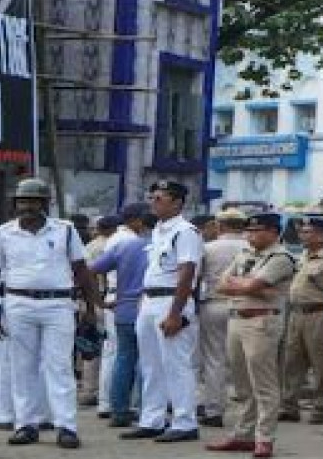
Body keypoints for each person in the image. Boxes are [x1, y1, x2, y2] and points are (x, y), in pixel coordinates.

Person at [0, 178, 101, 449]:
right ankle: (26, 425)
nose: (27, 206)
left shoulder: (64, 230)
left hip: (58, 305)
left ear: (45, 203)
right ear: (15, 204)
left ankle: (66, 426)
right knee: (22, 367)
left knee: (59, 366)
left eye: (33, 201)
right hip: (17, 304)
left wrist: (91, 309)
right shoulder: (3, 233)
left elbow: (81, 270)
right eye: (22, 201)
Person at [205, 213, 296, 459]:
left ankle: (265, 437)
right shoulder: (245, 254)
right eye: (249, 230)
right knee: (241, 383)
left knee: (263, 382)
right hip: (236, 317)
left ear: (273, 232)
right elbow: (221, 285)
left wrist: (247, 285)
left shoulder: (281, 257)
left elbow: (252, 286)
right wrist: (247, 285)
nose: (251, 235)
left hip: (262, 320)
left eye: (257, 231)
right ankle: (243, 434)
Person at [121, 180, 205, 443]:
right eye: (153, 197)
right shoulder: (158, 231)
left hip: (171, 300)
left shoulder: (185, 231)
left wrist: (175, 313)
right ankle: (152, 419)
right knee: (150, 364)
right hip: (150, 300)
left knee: (176, 364)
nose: (154, 201)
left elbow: (187, 272)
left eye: (161, 197)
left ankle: (184, 421)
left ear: (178, 203)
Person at [88, 205, 155, 428]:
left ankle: (119, 411)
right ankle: (147, 410)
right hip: (149, 308)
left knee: (124, 358)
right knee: (149, 361)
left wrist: (98, 301)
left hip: (123, 308)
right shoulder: (159, 246)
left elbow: (91, 270)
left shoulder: (124, 246)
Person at [280, 218, 323, 425]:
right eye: (302, 232)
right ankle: (289, 406)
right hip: (297, 314)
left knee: (321, 363)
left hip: (320, 314)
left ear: (321, 235)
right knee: (292, 362)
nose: (303, 236)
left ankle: (320, 408)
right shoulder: (302, 258)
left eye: (308, 232)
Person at [196, 208, 249, 428]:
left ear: (220, 225)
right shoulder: (251, 248)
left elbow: (195, 277)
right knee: (246, 359)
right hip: (245, 304)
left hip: (214, 303)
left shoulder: (208, 248)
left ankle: (213, 408)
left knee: (213, 358)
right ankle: (250, 410)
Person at [79, 216, 118, 410]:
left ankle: (89, 390)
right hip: (108, 301)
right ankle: (107, 394)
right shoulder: (115, 244)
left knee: (91, 346)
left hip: (92, 301)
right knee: (110, 349)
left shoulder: (89, 247)